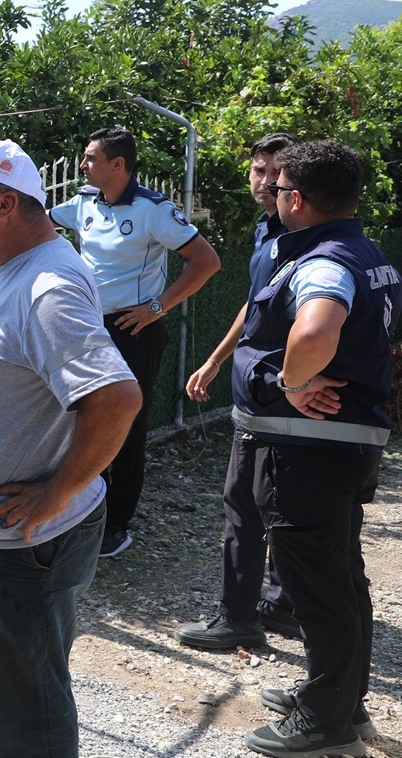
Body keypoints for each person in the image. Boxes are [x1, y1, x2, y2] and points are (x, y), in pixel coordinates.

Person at [0, 137, 141, 758]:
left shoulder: (47, 287)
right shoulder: (18, 273)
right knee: (3, 690)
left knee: (28, 713)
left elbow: (116, 399)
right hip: (3, 547)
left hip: (24, 549)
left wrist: (57, 490)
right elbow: (14, 385)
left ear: (7, 203)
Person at [228, 140, 398, 758]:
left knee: (318, 586)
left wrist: (290, 381)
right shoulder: (364, 250)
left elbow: (319, 325)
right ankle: (340, 701)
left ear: (295, 200)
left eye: (277, 189)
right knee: (340, 575)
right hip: (342, 448)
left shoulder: (324, 260)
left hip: (310, 448)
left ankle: (326, 720)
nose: (271, 195)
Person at [49, 126, 221, 558]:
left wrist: (157, 308)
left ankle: (116, 524)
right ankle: (79, 510)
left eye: (90, 158)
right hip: (86, 326)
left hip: (134, 330)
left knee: (125, 426)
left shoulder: (153, 210)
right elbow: (39, 224)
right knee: (76, 418)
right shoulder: (83, 203)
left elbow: (206, 262)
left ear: (117, 164)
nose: (83, 165)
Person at [177, 133, 300, 650]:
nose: (265, 181)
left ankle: (239, 616)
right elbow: (256, 306)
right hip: (263, 388)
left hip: (276, 393)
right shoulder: (268, 231)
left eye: (276, 173)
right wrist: (214, 358)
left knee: (251, 502)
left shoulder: (304, 238)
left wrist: (298, 379)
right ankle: (281, 601)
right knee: (268, 501)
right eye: (257, 170)